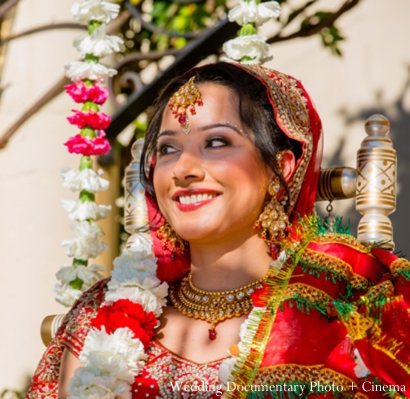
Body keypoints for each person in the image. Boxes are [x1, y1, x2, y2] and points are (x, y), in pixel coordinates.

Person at [27, 62, 410, 399]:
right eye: (168, 148)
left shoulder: (347, 302)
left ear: (283, 168)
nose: (183, 169)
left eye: (216, 142)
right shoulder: (101, 315)